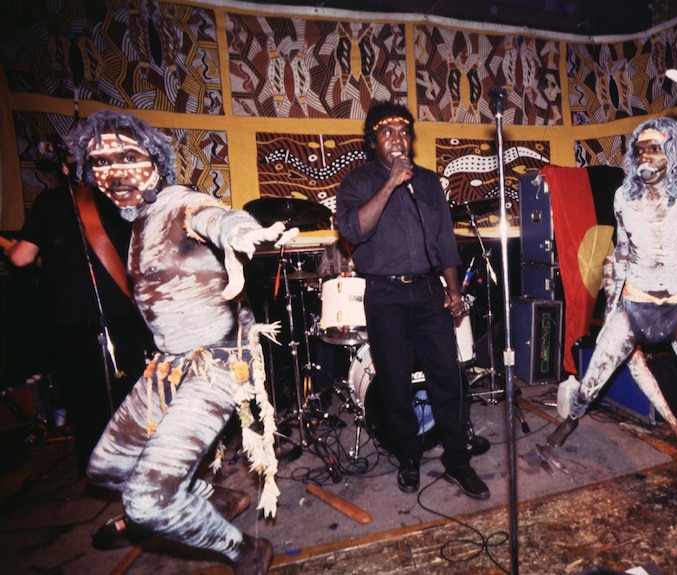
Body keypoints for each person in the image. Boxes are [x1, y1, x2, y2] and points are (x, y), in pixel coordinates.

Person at [78, 110, 300, 575]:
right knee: (105, 467)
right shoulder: (138, 219)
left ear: (155, 162)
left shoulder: (179, 201)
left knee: (145, 502)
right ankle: (218, 497)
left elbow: (214, 216)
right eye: (100, 162)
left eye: (127, 156)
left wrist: (240, 231)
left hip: (218, 363)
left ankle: (246, 551)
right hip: (171, 364)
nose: (114, 171)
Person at [545, 14, 677, 511]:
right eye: (640, 149)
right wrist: (613, 295)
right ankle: (554, 440)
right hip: (633, 307)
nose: (646, 155)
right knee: (590, 387)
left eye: (656, 147)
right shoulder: (624, 201)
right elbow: (625, 252)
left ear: (673, 152)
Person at [336, 101, 489, 499]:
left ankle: (458, 461)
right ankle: (408, 458)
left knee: (448, 378)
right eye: (388, 133)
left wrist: (454, 291)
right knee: (395, 383)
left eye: (403, 132)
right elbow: (354, 230)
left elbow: (444, 243)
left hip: (427, 290)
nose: (398, 139)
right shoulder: (356, 183)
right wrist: (389, 183)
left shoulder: (428, 182)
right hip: (384, 294)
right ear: (373, 142)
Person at [3, 150, 152, 476]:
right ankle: (147, 471)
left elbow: (22, 259)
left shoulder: (50, 202)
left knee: (89, 407)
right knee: (132, 398)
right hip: (123, 315)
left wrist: (7, 246)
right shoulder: (120, 203)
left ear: (63, 168)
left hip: (72, 323)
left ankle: (107, 473)